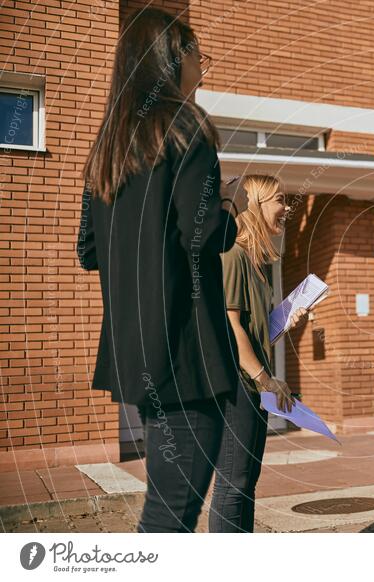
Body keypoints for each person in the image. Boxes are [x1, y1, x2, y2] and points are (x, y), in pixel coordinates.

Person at [78, 8, 248, 533]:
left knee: (166, 498)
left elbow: (88, 250)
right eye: (199, 53)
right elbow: (198, 236)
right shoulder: (185, 126)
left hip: (138, 352)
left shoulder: (109, 145)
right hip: (185, 351)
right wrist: (229, 211)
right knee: (172, 509)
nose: (204, 65)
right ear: (173, 55)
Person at [209, 175, 308, 533]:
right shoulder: (233, 255)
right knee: (232, 483)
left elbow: (254, 330)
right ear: (257, 205)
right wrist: (265, 378)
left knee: (246, 483)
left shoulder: (257, 266)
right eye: (280, 200)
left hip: (253, 387)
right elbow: (230, 327)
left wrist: (282, 322)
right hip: (238, 385)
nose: (286, 209)